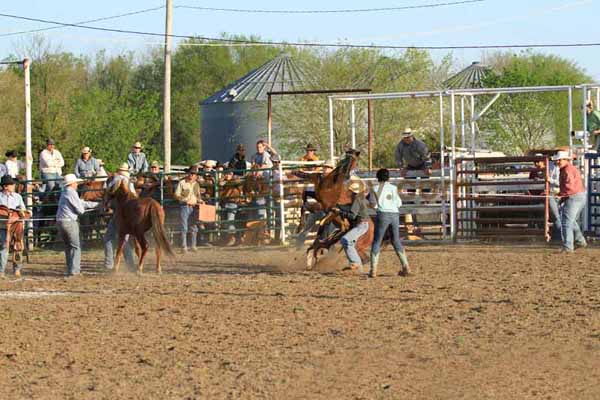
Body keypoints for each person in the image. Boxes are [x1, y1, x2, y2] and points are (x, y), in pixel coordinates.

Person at [368, 168, 410, 278]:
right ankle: (406, 266)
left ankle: (373, 270)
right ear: (388, 178)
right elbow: (399, 203)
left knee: (377, 241)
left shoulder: (375, 188)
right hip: (395, 215)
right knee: (396, 241)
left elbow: (374, 205)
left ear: (377, 178)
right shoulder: (394, 188)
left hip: (382, 214)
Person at [56, 174, 100, 276]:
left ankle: (70, 269)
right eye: (76, 183)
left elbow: (81, 203)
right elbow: (80, 209)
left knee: (68, 246)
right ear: (72, 184)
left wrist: (97, 205)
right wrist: (94, 207)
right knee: (76, 246)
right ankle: (75, 271)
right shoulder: (72, 193)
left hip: (61, 221)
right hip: (69, 222)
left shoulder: (65, 192)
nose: (77, 184)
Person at [553, 151, 587, 253]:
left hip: (573, 197)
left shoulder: (567, 170)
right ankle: (580, 241)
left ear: (566, 160)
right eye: (557, 160)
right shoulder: (568, 169)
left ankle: (568, 247)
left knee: (566, 222)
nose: (558, 161)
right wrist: (562, 195)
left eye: (560, 159)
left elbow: (570, 187)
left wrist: (561, 195)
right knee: (571, 221)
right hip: (579, 196)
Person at [103, 163, 136, 269]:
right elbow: (135, 196)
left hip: (118, 213)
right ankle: (130, 265)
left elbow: (107, 191)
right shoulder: (129, 183)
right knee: (124, 240)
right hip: (129, 214)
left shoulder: (116, 179)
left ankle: (109, 264)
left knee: (108, 238)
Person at [336, 180, 370, 272]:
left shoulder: (357, 199)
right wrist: (338, 206)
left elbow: (352, 215)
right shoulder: (360, 198)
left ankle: (356, 263)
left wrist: (340, 212)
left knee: (345, 240)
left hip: (361, 225)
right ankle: (358, 267)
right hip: (362, 224)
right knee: (346, 241)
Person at [0, 175, 28, 277]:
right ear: (5, 186)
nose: (14, 186)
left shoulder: (18, 197)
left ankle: (17, 269)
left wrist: (21, 212)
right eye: (11, 184)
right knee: (3, 248)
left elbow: (24, 210)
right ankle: (1, 271)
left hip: (17, 226)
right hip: (3, 226)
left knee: (18, 247)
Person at [529, 154, 561, 240]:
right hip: (543, 195)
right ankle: (544, 235)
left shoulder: (553, 168)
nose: (536, 164)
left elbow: (559, 182)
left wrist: (549, 180)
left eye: (537, 162)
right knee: (540, 215)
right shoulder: (535, 171)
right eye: (534, 162)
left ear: (543, 161)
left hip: (554, 194)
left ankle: (558, 237)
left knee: (556, 216)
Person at [174, 166, 203, 253]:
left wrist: (200, 201)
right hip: (184, 206)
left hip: (194, 207)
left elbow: (198, 196)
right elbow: (176, 195)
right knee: (184, 226)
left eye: (193, 174)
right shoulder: (182, 182)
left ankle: (193, 246)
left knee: (193, 226)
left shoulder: (196, 184)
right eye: (191, 173)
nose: (192, 175)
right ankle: (184, 246)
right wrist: (185, 200)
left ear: (195, 175)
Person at [219, 169, 243, 246]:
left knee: (230, 220)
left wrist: (226, 181)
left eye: (228, 174)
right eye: (226, 174)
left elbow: (238, 182)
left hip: (233, 202)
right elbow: (220, 187)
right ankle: (232, 238)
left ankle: (232, 238)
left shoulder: (235, 180)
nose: (226, 175)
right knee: (227, 221)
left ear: (232, 174)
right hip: (225, 202)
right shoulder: (225, 182)